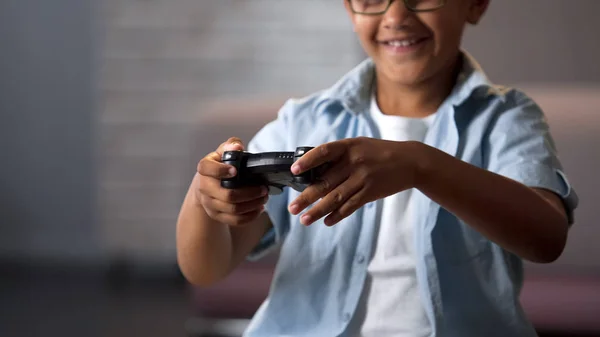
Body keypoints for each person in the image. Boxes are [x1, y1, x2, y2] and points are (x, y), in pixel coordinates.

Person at [176, 0, 579, 336]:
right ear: (351, 12)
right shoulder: (304, 121)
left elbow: (545, 238)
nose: (396, 16)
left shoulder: (507, 118)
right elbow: (207, 268)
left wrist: (422, 165)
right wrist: (203, 197)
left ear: (475, 4)